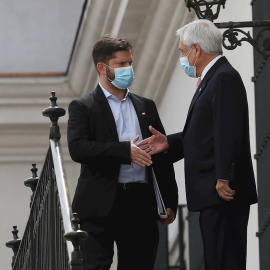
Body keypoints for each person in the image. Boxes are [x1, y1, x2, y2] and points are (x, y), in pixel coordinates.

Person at [138, 20, 258, 270]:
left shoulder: (223, 77)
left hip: (223, 193)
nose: (182, 57)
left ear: (197, 49)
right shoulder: (213, 78)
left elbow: (228, 130)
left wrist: (224, 176)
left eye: (183, 52)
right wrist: (168, 142)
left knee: (225, 262)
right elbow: (206, 133)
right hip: (213, 194)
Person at [67, 34, 178, 270]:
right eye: (121, 64)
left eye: (130, 63)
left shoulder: (145, 105)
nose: (128, 68)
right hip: (98, 204)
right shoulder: (83, 106)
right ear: (102, 67)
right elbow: (78, 148)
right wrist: (124, 152)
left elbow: (161, 154)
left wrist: (169, 200)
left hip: (140, 203)